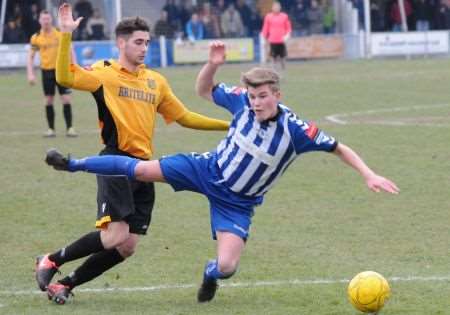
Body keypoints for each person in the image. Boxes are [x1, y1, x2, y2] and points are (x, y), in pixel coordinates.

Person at [45, 40, 400, 303]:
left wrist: (367, 173)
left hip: (238, 202)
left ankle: (209, 275)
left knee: (227, 266)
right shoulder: (240, 101)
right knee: (137, 169)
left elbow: (339, 147)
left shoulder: (297, 130)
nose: (255, 102)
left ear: (276, 94)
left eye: (262, 96)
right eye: (252, 96)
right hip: (205, 168)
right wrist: (213, 64)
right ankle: (73, 163)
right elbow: (202, 90)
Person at [36, 4, 229, 305]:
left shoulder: (155, 81)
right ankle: (50, 260)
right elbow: (64, 77)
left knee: (126, 247)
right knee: (114, 236)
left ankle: (66, 284)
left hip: (144, 168)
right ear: (121, 43)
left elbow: (185, 117)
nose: (144, 48)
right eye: (138, 42)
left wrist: (230, 126)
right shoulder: (104, 74)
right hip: (114, 160)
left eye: (147, 42)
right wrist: (65, 36)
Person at [27, 10, 77, 137]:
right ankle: (51, 129)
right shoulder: (36, 37)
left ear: (51, 20)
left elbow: (70, 50)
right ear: (39, 20)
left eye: (48, 19)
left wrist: (74, 67)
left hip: (62, 71)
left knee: (66, 99)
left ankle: (70, 128)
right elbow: (30, 57)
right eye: (43, 19)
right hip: (46, 72)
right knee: (48, 100)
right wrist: (30, 74)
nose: (46, 21)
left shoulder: (60, 34)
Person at [261, 1, 292, 71]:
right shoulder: (268, 17)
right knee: (273, 58)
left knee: (283, 58)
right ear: (272, 8)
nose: (276, 8)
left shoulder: (284, 16)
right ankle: (274, 73)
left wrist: (287, 36)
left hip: (281, 41)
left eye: (277, 7)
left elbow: (288, 28)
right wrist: (264, 39)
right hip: (272, 41)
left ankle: (284, 72)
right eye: (275, 7)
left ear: (280, 8)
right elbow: (265, 29)